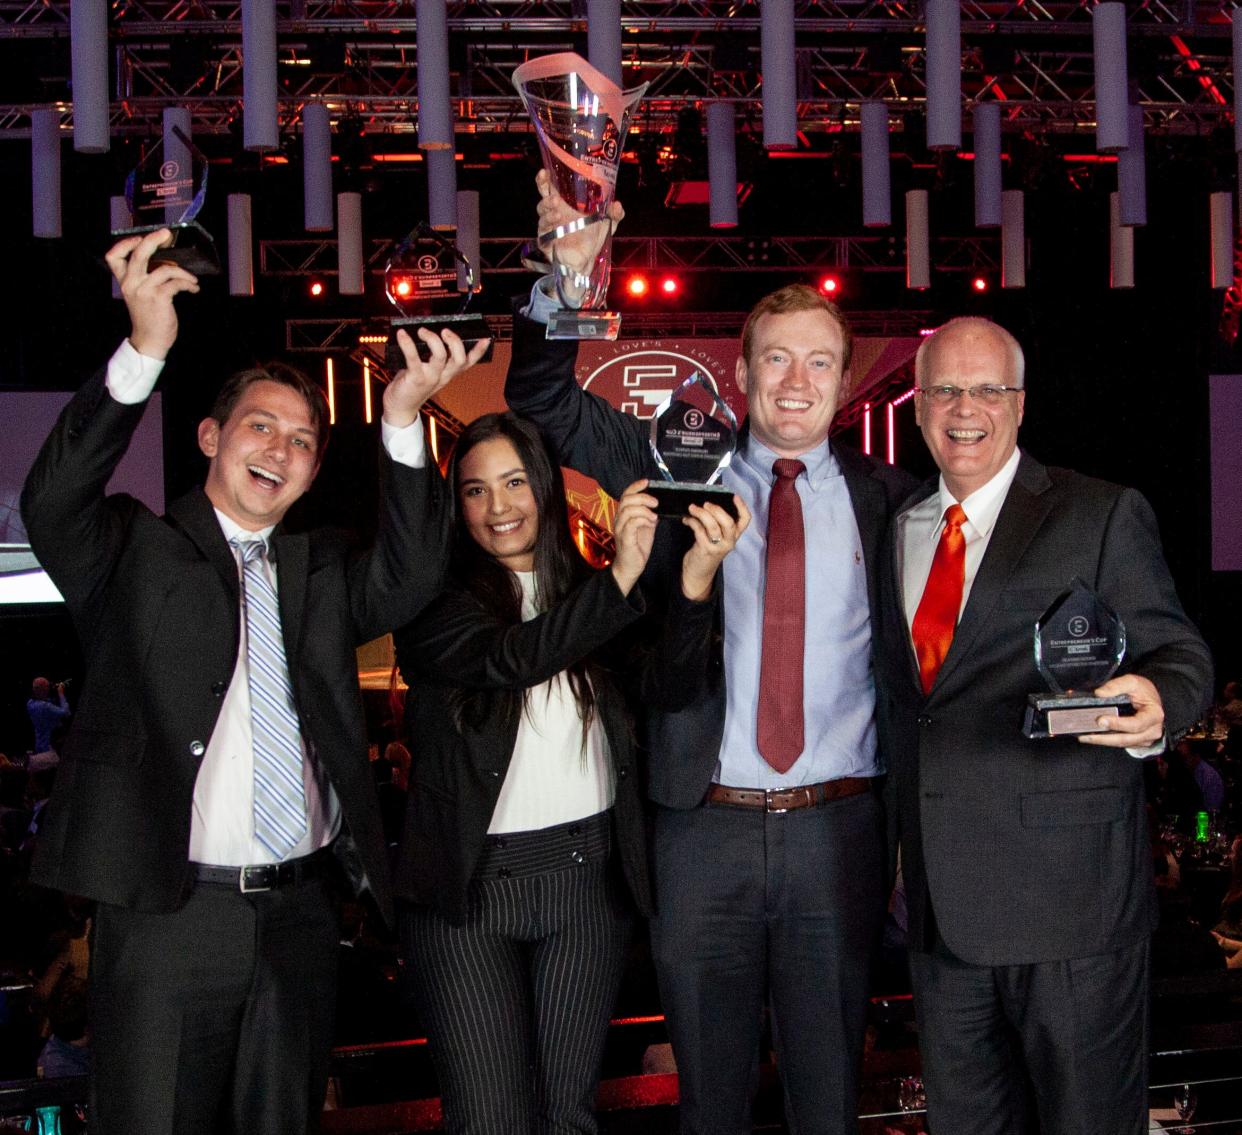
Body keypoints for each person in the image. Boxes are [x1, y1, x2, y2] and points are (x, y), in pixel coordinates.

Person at [20, 228, 488, 1134]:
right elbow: (49, 503)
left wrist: (399, 417)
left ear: (315, 470)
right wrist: (145, 348)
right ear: (210, 436)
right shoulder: (135, 552)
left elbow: (413, 574)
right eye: (260, 426)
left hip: (301, 915)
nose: (281, 448)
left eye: (304, 440)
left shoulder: (317, 570)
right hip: (166, 916)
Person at [504, 171, 917, 1135]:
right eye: (777, 360)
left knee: (829, 1105)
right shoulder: (669, 461)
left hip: (839, 832)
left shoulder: (893, 501)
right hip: (702, 831)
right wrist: (563, 284)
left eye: (819, 362)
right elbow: (541, 403)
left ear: (846, 380)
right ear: (739, 373)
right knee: (710, 1108)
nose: (797, 382)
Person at [882, 316, 1213, 1135]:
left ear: (1020, 405)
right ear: (918, 407)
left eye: (987, 389)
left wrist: (1157, 702)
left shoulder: (1099, 513)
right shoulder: (897, 528)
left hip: (1071, 907)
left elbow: (1182, 652)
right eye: (946, 390)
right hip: (940, 915)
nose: (966, 408)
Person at [392, 411, 746, 1134]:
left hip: (586, 884)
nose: (499, 507)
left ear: (547, 487)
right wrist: (618, 578)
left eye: (516, 481)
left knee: (569, 1117)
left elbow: (670, 686)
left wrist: (695, 582)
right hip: (470, 896)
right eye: (475, 490)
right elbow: (513, 659)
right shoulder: (433, 606)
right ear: (455, 504)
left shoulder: (590, 592)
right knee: (491, 1120)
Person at [26, 677, 69, 755]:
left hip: (39, 742)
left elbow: (45, 700)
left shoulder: (30, 703)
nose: (49, 688)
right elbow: (65, 712)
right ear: (43, 690)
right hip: (50, 745)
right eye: (47, 686)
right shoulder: (45, 706)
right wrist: (60, 693)